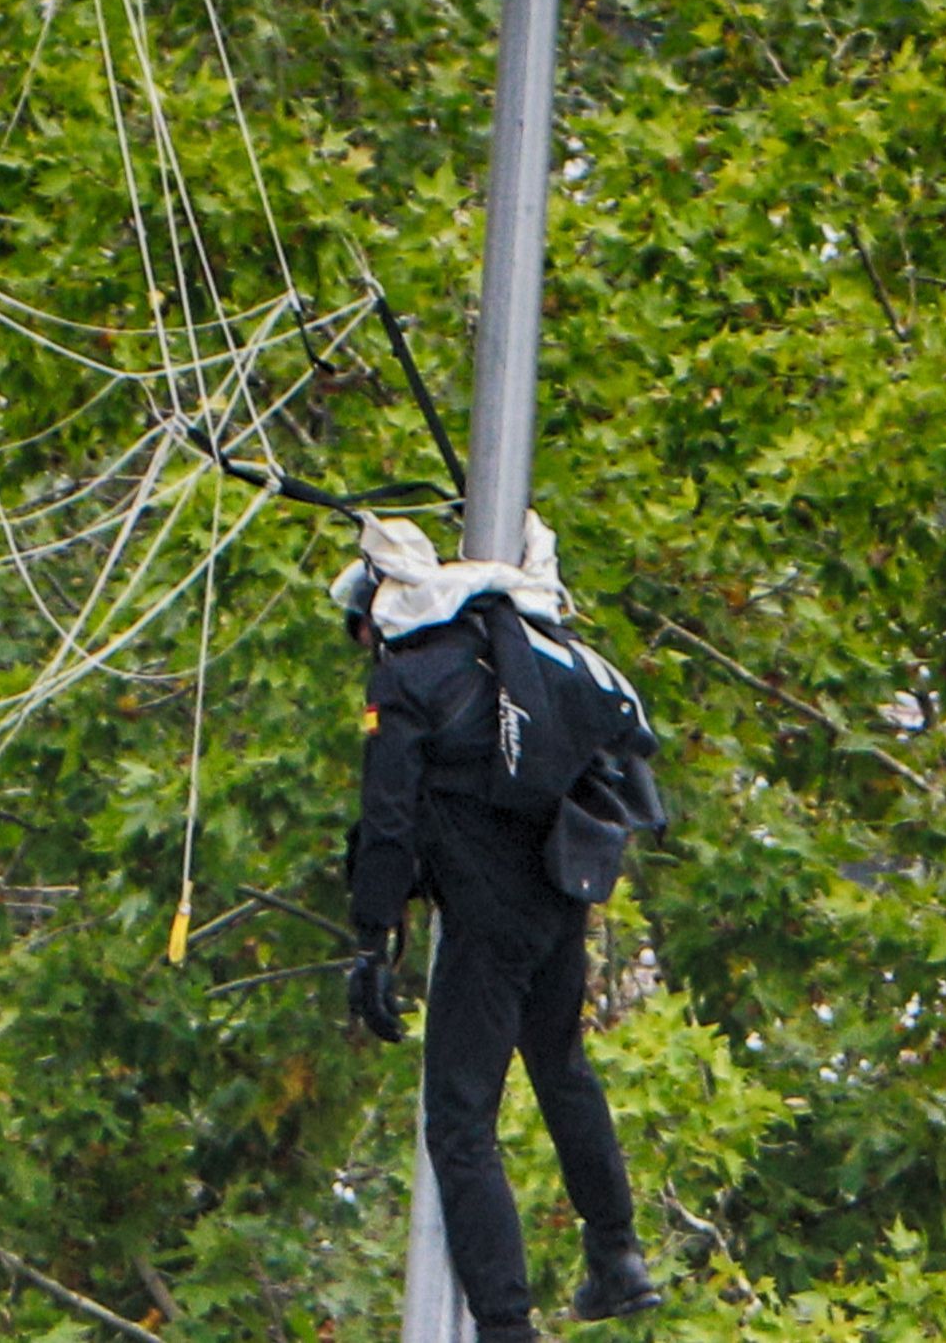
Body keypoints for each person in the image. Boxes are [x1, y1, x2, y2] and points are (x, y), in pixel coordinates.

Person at [338, 515, 662, 1340]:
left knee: (457, 1120)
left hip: (490, 922)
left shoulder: (407, 677)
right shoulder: (513, 641)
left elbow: (387, 819)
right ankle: (616, 1253)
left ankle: (505, 1327)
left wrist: (370, 940)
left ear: (377, 613)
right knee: (559, 1064)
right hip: (561, 894)